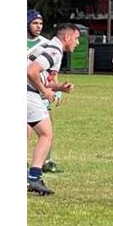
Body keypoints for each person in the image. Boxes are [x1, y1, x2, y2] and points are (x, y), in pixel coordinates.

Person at [26, 23, 81, 195]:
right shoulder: (54, 51)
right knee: (46, 133)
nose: (77, 43)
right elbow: (31, 71)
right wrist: (45, 91)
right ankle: (34, 177)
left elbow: (40, 75)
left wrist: (58, 87)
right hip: (28, 93)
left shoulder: (49, 47)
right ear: (67, 37)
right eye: (77, 38)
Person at [28, 10, 63, 173]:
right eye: (35, 23)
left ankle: (46, 161)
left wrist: (57, 88)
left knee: (46, 128)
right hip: (28, 91)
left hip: (39, 92)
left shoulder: (46, 44)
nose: (38, 26)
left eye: (40, 23)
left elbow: (52, 72)